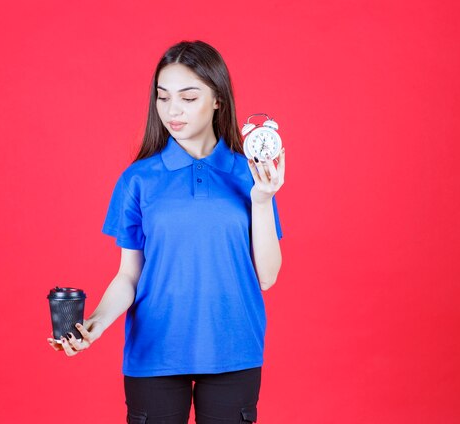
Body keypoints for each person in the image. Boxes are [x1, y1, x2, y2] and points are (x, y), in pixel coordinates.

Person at [47, 40, 285, 424]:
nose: (172, 110)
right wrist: (95, 324)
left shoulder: (250, 173)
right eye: (163, 97)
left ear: (218, 100)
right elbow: (129, 275)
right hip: (155, 352)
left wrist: (262, 200)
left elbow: (268, 277)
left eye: (188, 98)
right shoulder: (138, 179)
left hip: (233, 347)